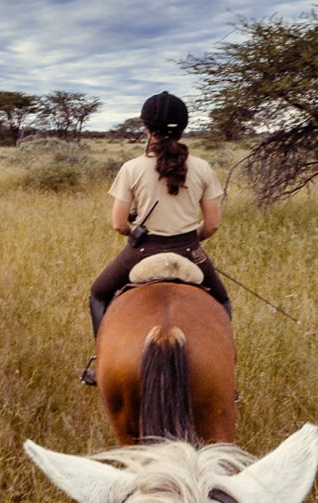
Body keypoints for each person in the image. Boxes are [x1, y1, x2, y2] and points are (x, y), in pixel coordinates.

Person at [81, 91, 231, 383]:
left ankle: (101, 365)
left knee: (98, 294)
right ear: (184, 128)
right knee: (223, 302)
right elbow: (212, 225)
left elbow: (118, 224)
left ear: (146, 128)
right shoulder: (202, 168)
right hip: (189, 251)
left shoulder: (132, 168)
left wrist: (133, 230)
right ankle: (227, 373)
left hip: (143, 251)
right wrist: (191, 240)